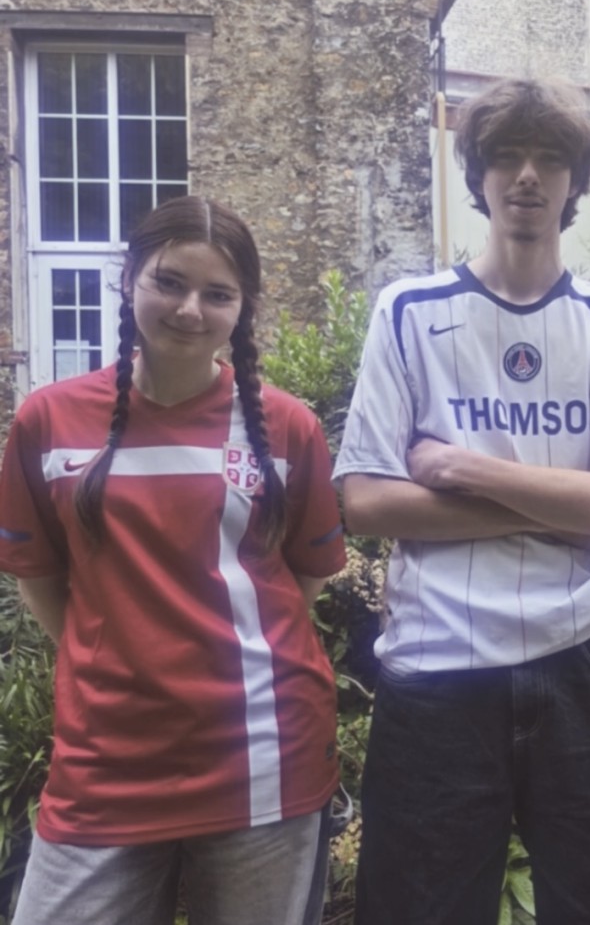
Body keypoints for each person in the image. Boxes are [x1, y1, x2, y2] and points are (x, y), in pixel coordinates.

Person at [332, 77, 590, 924]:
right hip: (438, 665)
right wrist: (564, 507)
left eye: (550, 158)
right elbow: (366, 503)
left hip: (582, 657)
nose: (527, 176)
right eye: (507, 156)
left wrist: (464, 468)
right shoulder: (408, 312)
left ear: (576, 182)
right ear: (478, 175)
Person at [0, 196, 347, 925]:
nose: (190, 310)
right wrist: (115, 652)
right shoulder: (48, 420)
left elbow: (303, 578)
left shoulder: (288, 428)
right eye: (169, 282)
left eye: (218, 294)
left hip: (263, 757)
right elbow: (40, 575)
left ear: (242, 309)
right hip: (106, 760)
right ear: (129, 278)